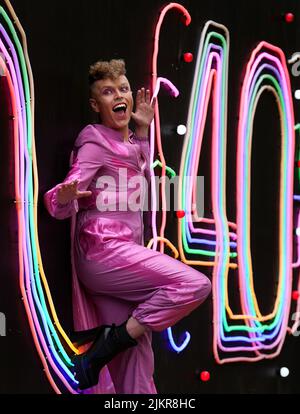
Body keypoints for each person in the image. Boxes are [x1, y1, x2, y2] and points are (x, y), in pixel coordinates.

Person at [44, 59, 211, 394]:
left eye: (122, 88)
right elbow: (60, 198)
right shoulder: (94, 140)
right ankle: (109, 341)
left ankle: (112, 343)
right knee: (195, 284)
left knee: (135, 359)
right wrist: (64, 195)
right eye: (108, 92)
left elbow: (137, 172)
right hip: (104, 252)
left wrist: (144, 132)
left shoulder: (132, 144)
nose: (118, 95)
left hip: (122, 259)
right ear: (96, 105)